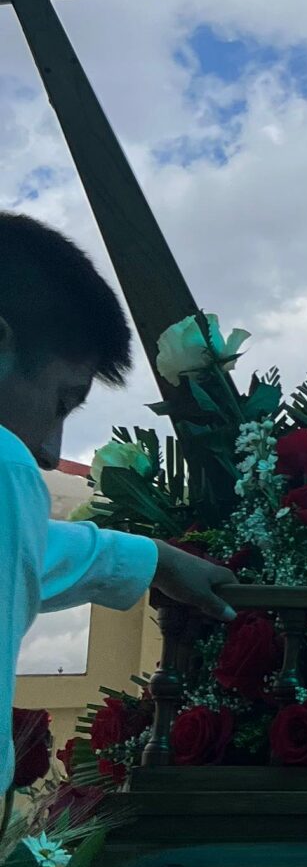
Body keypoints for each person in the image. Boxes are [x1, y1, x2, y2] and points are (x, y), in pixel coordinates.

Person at [2, 213, 235, 793]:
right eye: (62, 401)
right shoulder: (6, 461)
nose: (50, 455)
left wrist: (153, 557)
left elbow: (24, 556)